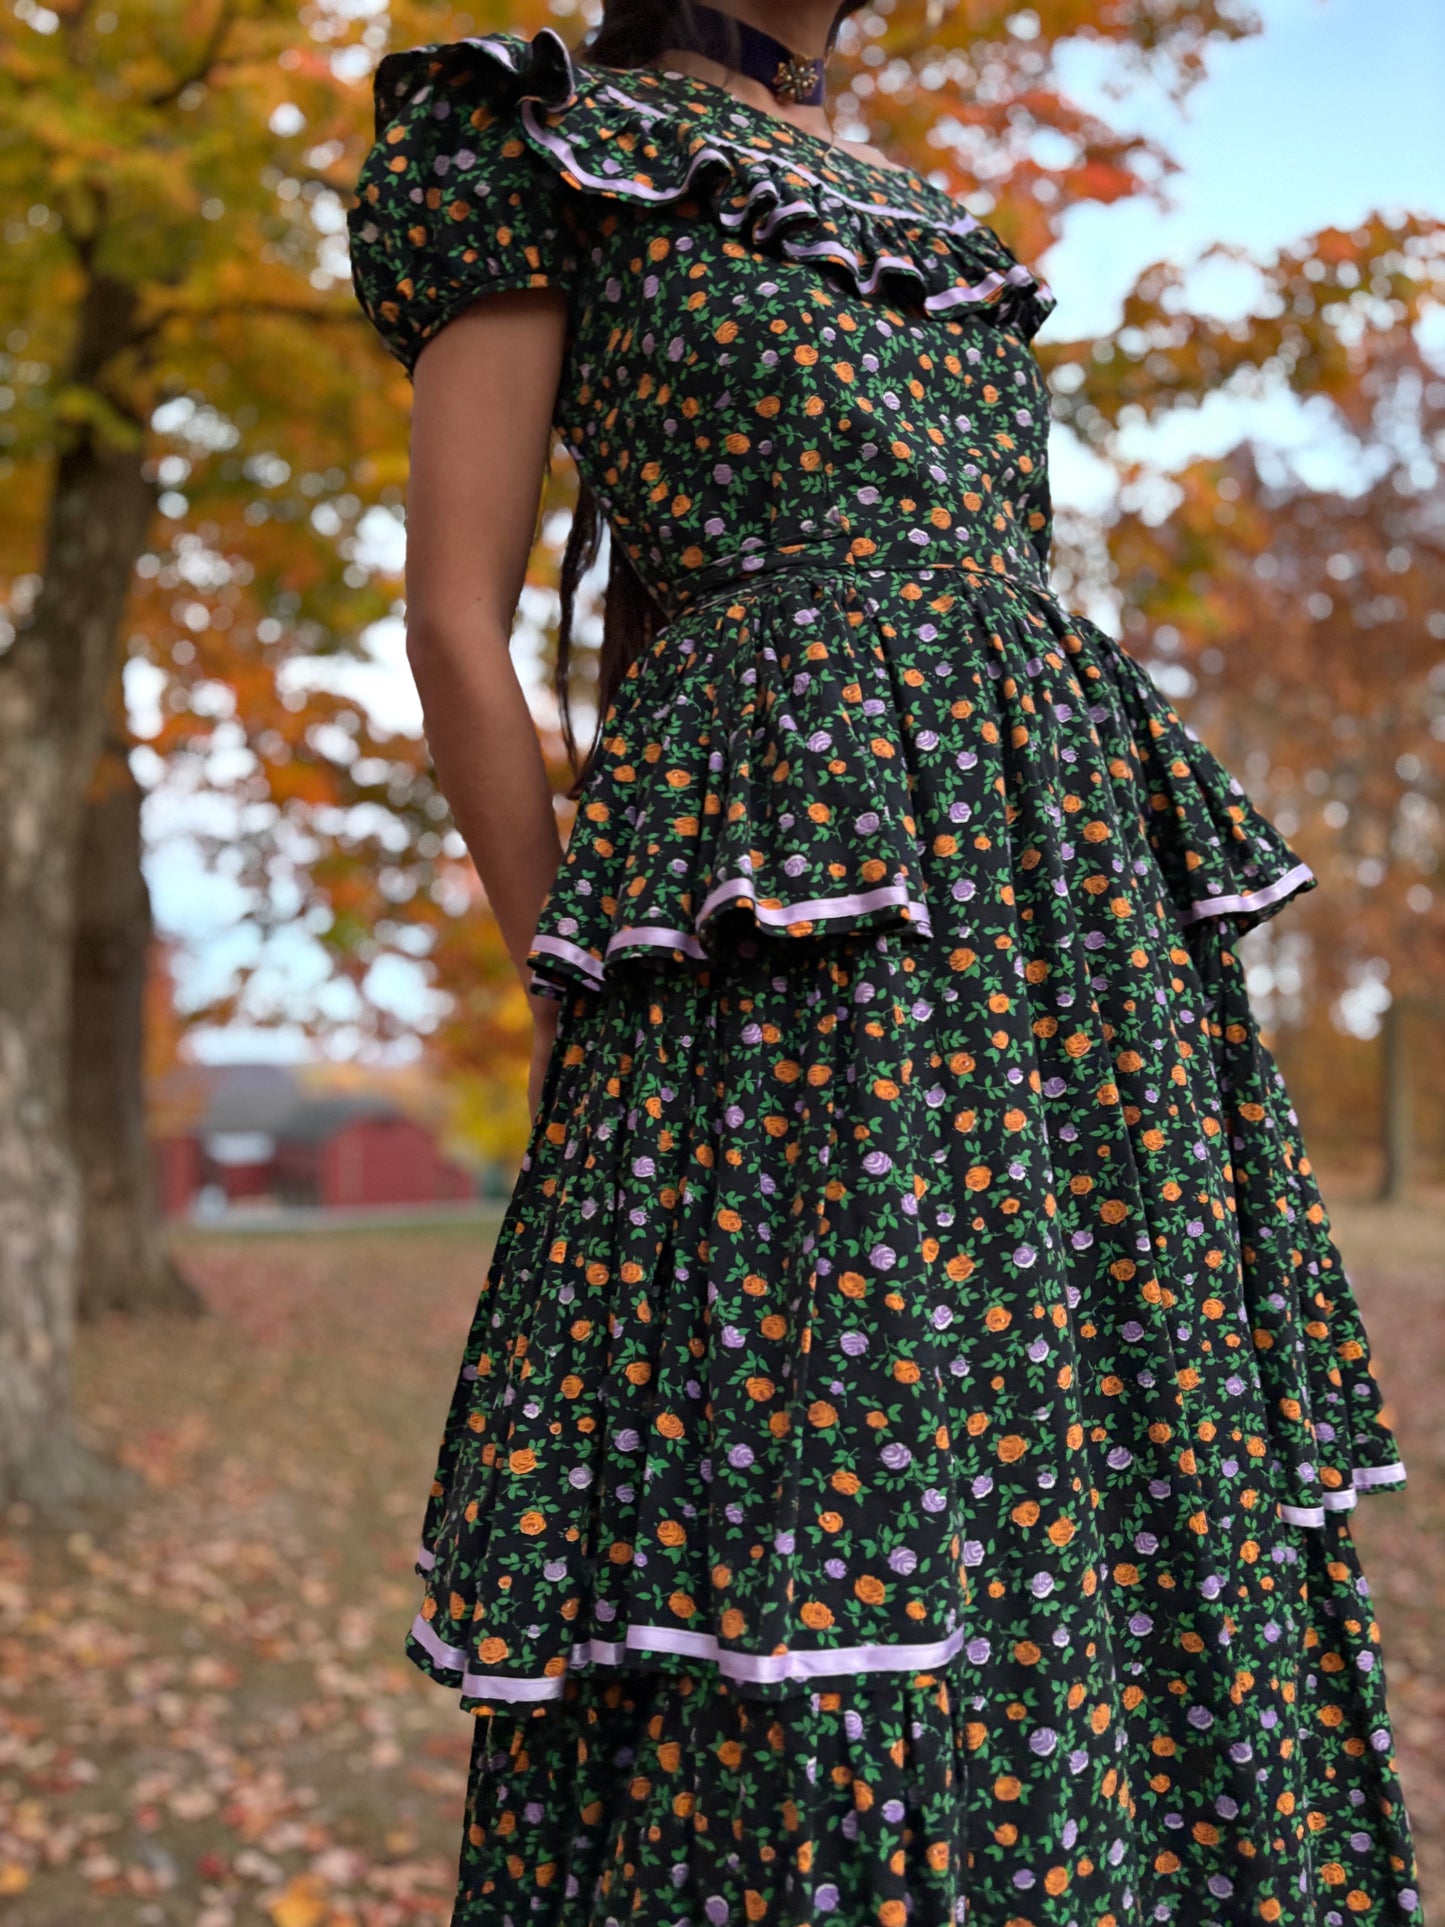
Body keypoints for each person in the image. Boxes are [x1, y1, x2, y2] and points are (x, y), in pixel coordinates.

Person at [344, 3, 1424, 1920]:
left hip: (1059, 897)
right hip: (780, 912)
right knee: (816, 1467)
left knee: (1113, 1448)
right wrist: (579, 981)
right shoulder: (537, 143)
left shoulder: (927, 209)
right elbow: (451, 627)